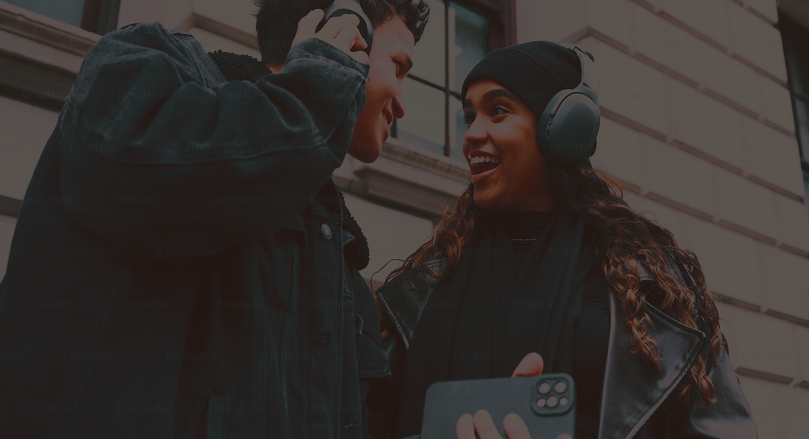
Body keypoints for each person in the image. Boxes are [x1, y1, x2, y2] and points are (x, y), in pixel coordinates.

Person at [0, 1, 428, 438]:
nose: (403, 102)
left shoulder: (341, 266)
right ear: (343, 28)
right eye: (398, 67)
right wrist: (322, 80)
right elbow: (157, 183)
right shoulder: (147, 64)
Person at [370, 41, 758, 439]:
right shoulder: (423, 287)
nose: (472, 134)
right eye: (469, 116)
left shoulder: (648, 284)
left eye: (497, 111)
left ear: (561, 127)